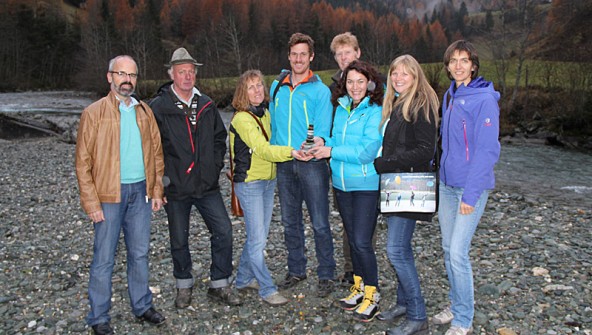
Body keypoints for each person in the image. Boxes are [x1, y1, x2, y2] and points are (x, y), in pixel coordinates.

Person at [75, 55, 166, 335]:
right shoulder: (94, 113)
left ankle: (141, 305)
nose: (127, 80)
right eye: (121, 74)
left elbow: (156, 154)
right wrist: (91, 203)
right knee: (104, 257)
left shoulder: (144, 111)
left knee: (139, 253)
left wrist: (157, 190)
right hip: (108, 195)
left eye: (132, 75)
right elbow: (82, 163)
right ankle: (99, 317)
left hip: (141, 193)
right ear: (110, 77)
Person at [149, 47, 241, 308]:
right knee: (179, 239)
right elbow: (152, 147)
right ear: (172, 74)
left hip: (206, 185)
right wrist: (160, 182)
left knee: (223, 231)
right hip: (175, 187)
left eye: (191, 72)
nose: (187, 77)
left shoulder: (207, 104)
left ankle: (219, 283)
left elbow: (219, 139)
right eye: (181, 72)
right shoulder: (158, 107)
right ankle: (183, 285)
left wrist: (213, 166)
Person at [309, 60, 384, 322]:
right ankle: (359, 286)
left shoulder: (375, 111)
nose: (355, 87)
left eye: (360, 82)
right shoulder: (340, 108)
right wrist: (323, 142)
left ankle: (372, 294)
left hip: (365, 185)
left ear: (370, 84)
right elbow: (336, 142)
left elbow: (366, 152)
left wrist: (331, 151)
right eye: (350, 82)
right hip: (341, 185)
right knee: (353, 240)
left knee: (363, 242)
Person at [434, 40, 500, 335]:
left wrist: (471, 195)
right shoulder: (451, 94)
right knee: (448, 249)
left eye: (464, 60)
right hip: (447, 186)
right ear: (447, 65)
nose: (458, 66)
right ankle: (456, 302)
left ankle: (464, 319)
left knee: (459, 253)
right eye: (453, 60)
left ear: (474, 65)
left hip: (468, 189)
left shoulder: (484, 99)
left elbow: (487, 151)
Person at [229, 70, 310, 306]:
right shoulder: (241, 119)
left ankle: (243, 279)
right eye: (250, 87)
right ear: (242, 92)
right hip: (250, 184)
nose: (256, 91)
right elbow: (263, 149)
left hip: (267, 181)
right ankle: (267, 289)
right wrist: (292, 152)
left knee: (258, 237)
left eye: (259, 86)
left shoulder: (265, 113)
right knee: (258, 240)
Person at [373, 54, 440, 335]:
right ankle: (403, 303)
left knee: (396, 251)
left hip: (408, 187)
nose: (398, 78)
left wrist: (389, 163)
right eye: (394, 74)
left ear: (416, 77)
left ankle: (417, 315)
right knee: (403, 249)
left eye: (405, 74)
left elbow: (427, 150)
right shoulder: (399, 102)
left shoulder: (421, 104)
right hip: (395, 187)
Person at [269, 32, 336, 297]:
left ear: (311, 57)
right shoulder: (277, 87)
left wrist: (315, 146)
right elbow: (273, 125)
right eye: (294, 54)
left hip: (311, 164)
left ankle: (326, 273)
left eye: (303, 54)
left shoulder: (320, 90)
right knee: (289, 221)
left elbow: (324, 128)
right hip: (285, 162)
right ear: (289, 56)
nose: (298, 59)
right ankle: (296, 269)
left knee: (320, 221)